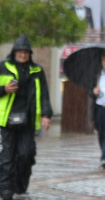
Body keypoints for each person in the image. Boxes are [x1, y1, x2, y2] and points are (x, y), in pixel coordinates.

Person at [0, 35, 53, 200]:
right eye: (20, 52)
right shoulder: (3, 66)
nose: (22, 55)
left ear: (30, 53)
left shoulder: (37, 71)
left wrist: (46, 114)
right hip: (7, 120)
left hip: (28, 121)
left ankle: (20, 185)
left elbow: (44, 94)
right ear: (14, 51)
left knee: (26, 154)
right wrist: (4, 89)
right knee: (7, 156)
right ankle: (5, 190)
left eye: (25, 52)